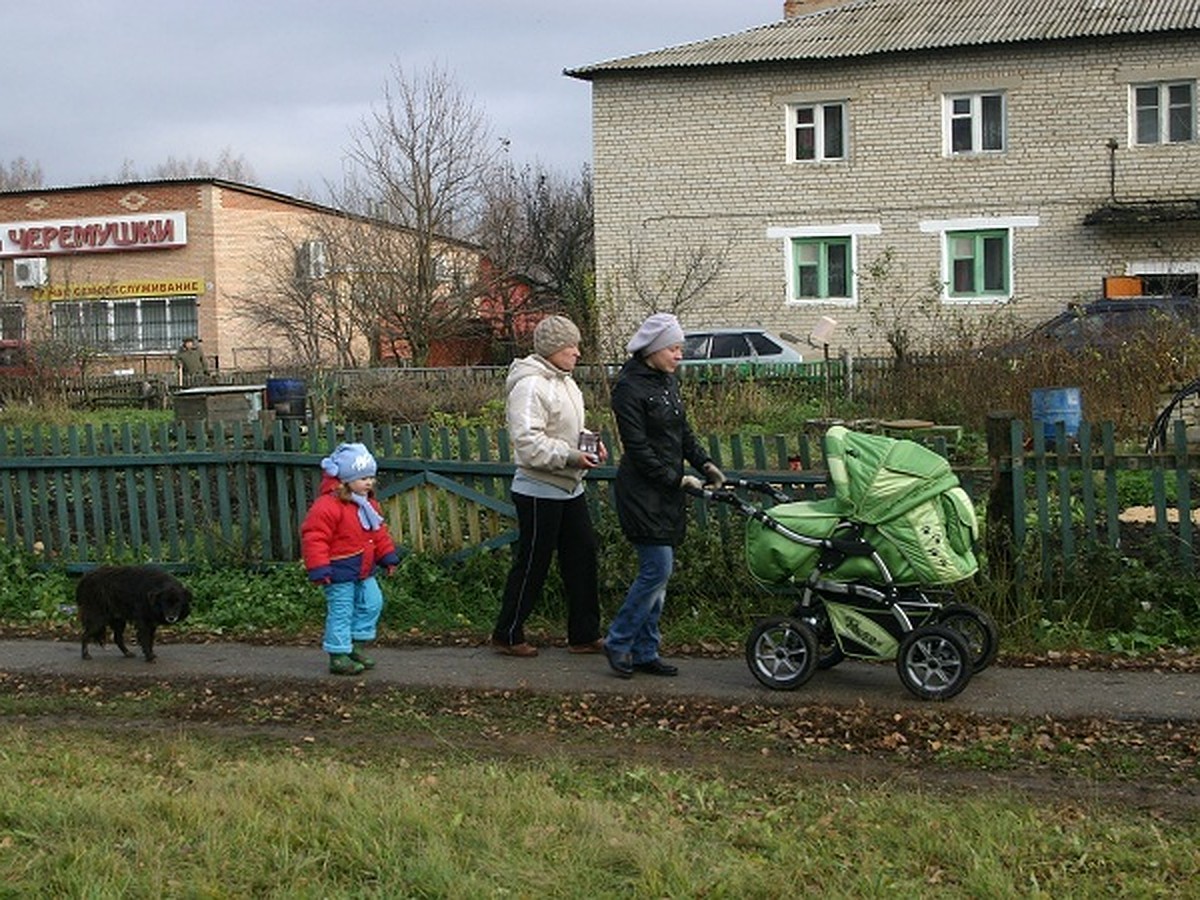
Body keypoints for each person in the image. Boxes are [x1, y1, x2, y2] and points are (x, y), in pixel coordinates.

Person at [604, 312, 724, 678]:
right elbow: (638, 449)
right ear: (654, 350)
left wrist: (705, 464)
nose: (679, 355)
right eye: (673, 348)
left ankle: (645, 650)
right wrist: (677, 480)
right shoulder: (628, 388)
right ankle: (619, 641)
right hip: (643, 491)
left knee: (658, 574)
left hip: (667, 490)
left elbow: (682, 433)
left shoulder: (666, 382)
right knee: (658, 569)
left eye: (679, 348)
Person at [491, 314, 608, 657]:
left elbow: (566, 428)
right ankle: (508, 633)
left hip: (571, 486)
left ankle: (584, 635)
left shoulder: (566, 381)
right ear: (553, 348)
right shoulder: (530, 385)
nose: (577, 352)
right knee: (533, 562)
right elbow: (527, 443)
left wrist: (588, 444)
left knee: (582, 555)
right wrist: (571, 456)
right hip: (539, 488)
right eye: (571, 345)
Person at [301, 442, 401, 675]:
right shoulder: (327, 506)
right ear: (345, 479)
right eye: (363, 477)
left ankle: (356, 645)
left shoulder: (368, 504)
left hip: (364, 568)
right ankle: (338, 654)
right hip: (338, 570)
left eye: (371, 477)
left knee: (372, 602)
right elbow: (314, 537)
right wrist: (319, 567)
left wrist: (387, 557)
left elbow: (378, 532)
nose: (369, 482)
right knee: (342, 610)